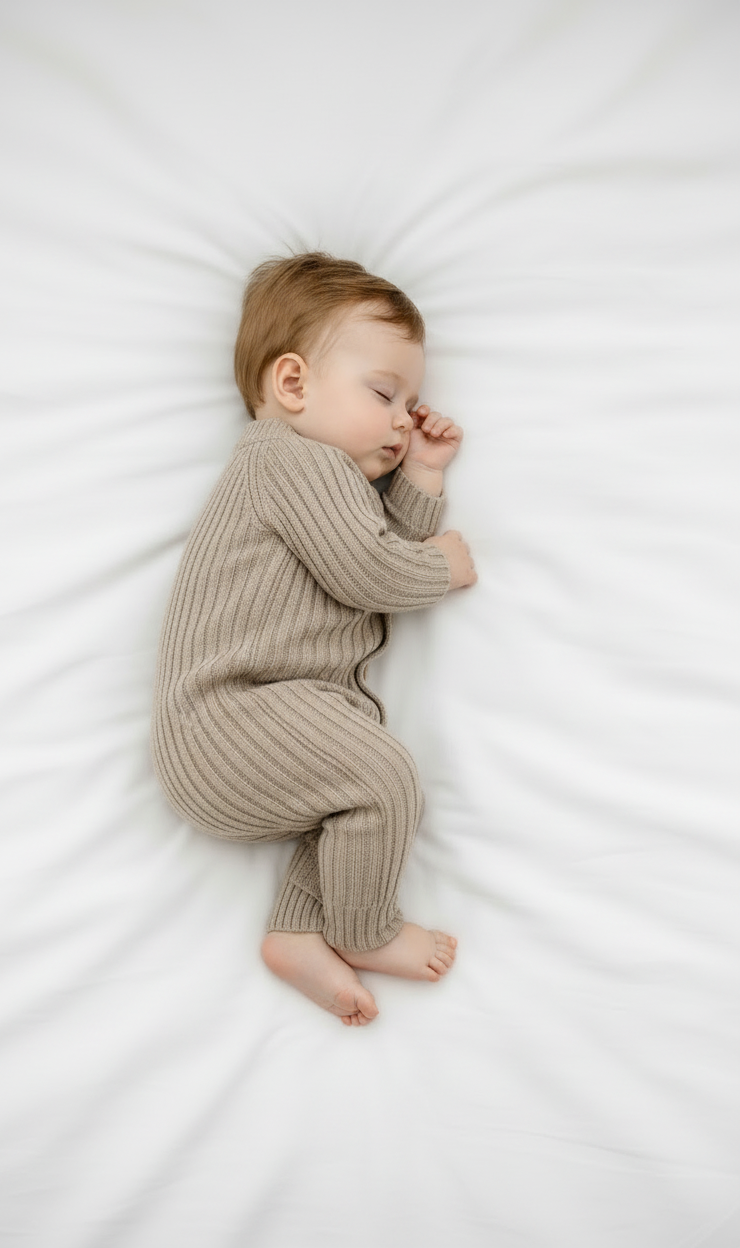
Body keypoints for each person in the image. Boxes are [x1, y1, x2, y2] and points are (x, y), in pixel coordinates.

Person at [152, 252, 476, 1025]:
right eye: (383, 392)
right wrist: (440, 567)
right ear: (292, 385)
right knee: (383, 779)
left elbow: (371, 545)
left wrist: (422, 478)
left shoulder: (323, 477)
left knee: (353, 802)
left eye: (413, 401)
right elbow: (373, 572)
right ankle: (363, 929)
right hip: (230, 720)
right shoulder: (294, 461)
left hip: (264, 726)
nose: (405, 418)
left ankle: (298, 930)